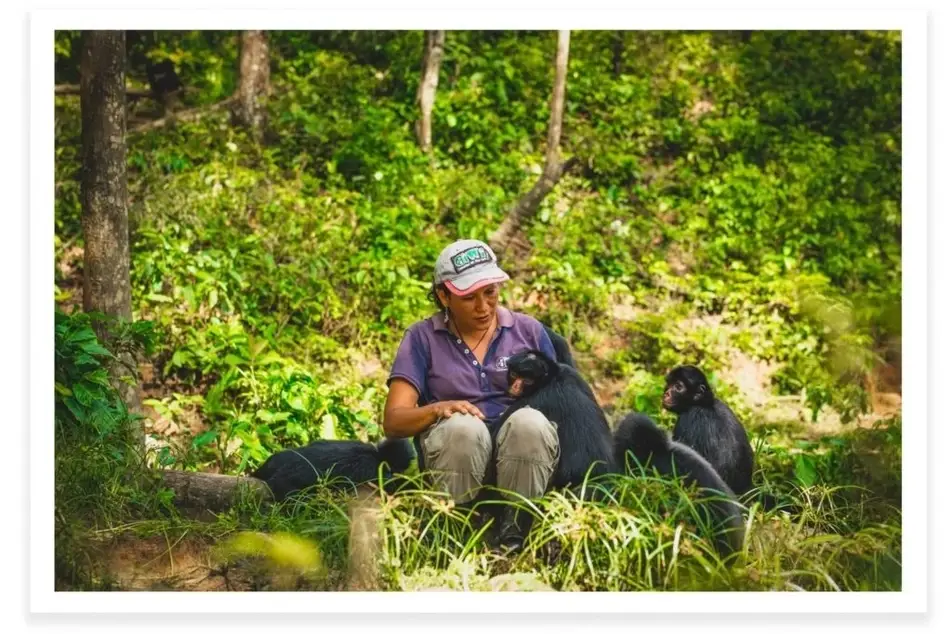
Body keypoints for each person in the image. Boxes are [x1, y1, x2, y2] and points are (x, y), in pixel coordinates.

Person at [383, 239, 561, 547]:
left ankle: (517, 525)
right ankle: (453, 528)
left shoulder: (528, 331)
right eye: (469, 298)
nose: (483, 307)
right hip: (455, 461)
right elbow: (394, 421)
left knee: (529, 423)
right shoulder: (422, 338)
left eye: (490, 292)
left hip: (523, 461)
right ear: (444, 295)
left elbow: (562, 403)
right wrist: (440, 408)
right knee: (463, 426)